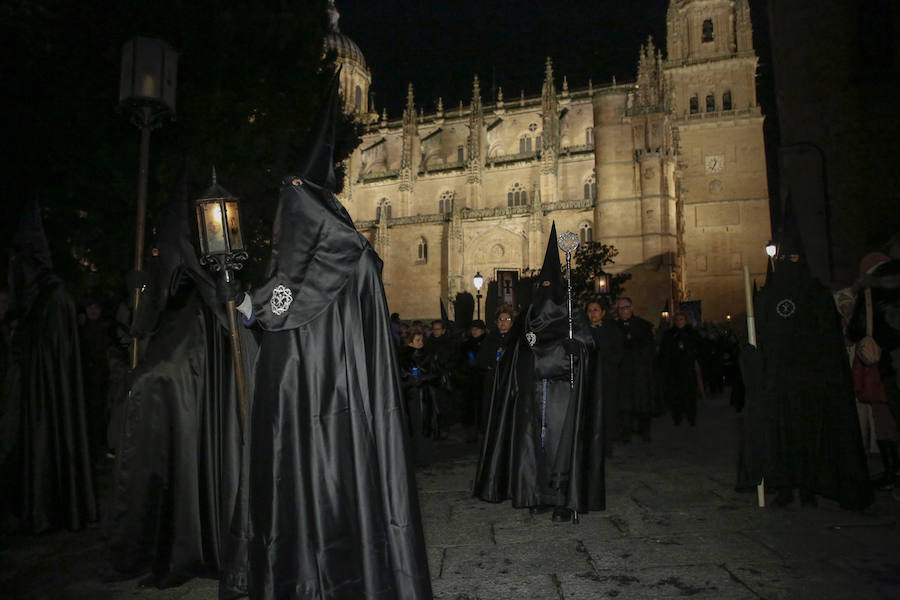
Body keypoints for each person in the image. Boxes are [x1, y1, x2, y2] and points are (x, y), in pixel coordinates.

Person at [229, 70, 431, 599]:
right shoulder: (347, 258)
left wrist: (248, 304)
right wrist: (248, 302)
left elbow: (279, 302)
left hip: (321, 407)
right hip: (326, 410)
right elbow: (279, 298)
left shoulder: (329, 258)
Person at [474, 223, 604, 522]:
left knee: (561, 444)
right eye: (541, 286)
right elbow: (517, 348)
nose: (545, 292)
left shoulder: (573, 314)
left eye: (550, 286)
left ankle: (563, 498)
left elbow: (588, 348)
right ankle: (537, 493)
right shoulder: (531, 315)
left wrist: (577, 350)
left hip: (563, 393)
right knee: (536, 444)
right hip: (535, 391)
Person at [747, 206, 871, 510]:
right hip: (778, 383)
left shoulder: (816, 295)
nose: (788, 263)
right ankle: (785, 485)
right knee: (781, 434)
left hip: (810, 382)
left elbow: (827, 340)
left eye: (793, 258)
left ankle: (810, 485)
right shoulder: (767, 297)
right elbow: (757, 337)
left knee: (810, 434)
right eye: (783, 258)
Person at [0, 200, 96, 533]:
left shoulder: (54, 298)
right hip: (30, 394)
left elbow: (55, 359)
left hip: (47, 399)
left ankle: (49, 508)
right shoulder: (30, 300)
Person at [847, 251, 900, 489]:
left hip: (884, 363)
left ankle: (893, 471)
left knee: (885, 417)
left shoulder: (868, 292)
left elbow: (855, 331)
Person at [613, 297, 656, 442]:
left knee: (642, 402)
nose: (624, 311)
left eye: (626, 307)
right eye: (620, 308)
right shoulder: (614, 327)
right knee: (624, 404)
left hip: (640, 371)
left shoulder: (643, 326)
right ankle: (626, 433)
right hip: (623, 372)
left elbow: (649, 349)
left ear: (631, 308)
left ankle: (645, 432)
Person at [585, 298, 623, 453]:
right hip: (590, 378)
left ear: (602, 312)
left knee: (607, 410)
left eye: (595, 310)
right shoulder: (584, 331)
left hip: (607, 376)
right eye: (589, 310)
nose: (592, 314)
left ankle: (607, 443)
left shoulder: (612, 331)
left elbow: (618, 353)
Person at [398, 327, 439, 464]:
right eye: (418, 340)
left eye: (422, 340)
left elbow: (436, 374)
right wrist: (412, 380)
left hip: (426, 395)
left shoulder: (427, 355)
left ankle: (425, 455)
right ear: (410, 342)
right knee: (413, 425)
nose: (421, 343)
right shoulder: (403, 357)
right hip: (411, 397)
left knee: (426, 424)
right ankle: (414, 455)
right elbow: (401, 377)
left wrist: (425, 378)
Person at [79, 297, 113, 464]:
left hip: (100, 380)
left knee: (99, 414)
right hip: (86, 381)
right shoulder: (80, 330)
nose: (93, 311)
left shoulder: (105, 329)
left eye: (96, 307)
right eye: (90, 307)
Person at [474, 309, 515, 433]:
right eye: (500, 320)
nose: (503, 323)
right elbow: (481, 359)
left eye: (506, 320)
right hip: (492, 379)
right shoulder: (489, 339)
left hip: (509, 379)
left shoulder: (515, 339)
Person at [658, 312, 701, 426]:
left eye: (681, 319)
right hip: (674, 370)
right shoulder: (670, 335)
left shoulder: (691, 333)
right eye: (677, 320)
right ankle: (677, 417)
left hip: (688, 369)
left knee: (690, 395)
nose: (679, 322)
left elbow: (697, 348)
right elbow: (665, 352)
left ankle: (691, 417)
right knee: (676, 395)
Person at [458, 319, 487, 442]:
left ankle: (482, 429)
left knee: (482, 405)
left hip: (483, 379)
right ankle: (470, 432)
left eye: (477, 329)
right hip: (469, 380)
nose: (474, 331)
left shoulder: (487, 342)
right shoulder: (466, 344)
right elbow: (459, 360)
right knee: (469, 406)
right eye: (473, 329)